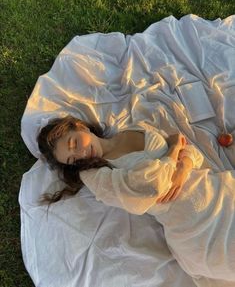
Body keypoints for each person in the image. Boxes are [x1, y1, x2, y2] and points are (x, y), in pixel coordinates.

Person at [37, 115, 235, 283]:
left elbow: (188, 149)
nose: (81, 154)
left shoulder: (135, 128)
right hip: (196, 227)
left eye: (74, 143)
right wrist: (173, 152)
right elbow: (151, 187)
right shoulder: (93, 175)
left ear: (79, 127)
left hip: (218, 189)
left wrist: (184, 166)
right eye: (74, 160)